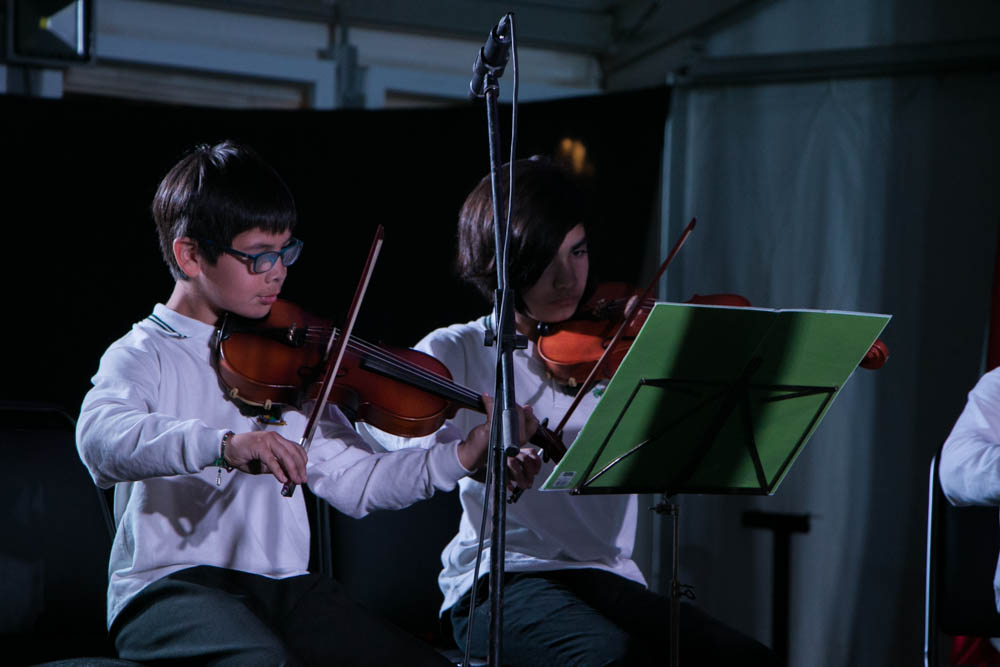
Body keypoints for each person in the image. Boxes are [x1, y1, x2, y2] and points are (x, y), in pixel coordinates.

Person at [75, 140, 537, 666]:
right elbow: (99, 442)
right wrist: (224, 445)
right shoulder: (144, 351)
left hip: (286, 590)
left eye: (285, 251)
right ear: (191, 255)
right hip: (170, 589)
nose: (278, 272)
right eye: (259, 257)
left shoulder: (290, 359)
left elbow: (358, 482)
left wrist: (461, 455)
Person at [361, 157, 776, 666]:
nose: (568, 279)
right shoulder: (459, 349)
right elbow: (392, 447)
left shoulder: (620, 346)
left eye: (577, 251)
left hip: (606, 575)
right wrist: (470, 454)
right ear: (500, 267)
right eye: (544, 261)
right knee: (611, 659)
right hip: (499, 579)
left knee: (745, 658)